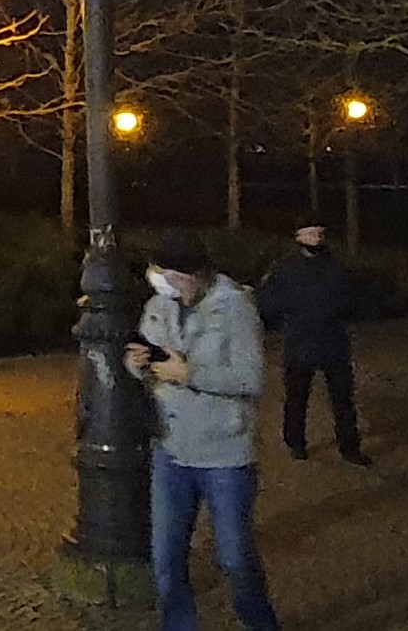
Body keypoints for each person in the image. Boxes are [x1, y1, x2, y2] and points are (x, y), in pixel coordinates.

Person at [129, 229, 279, 631]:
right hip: (171, 447)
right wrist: (139, 361)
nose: (157, 279)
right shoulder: (159, 305)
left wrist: (189, 373)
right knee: (166, 560)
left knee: (234, 557)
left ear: (188, 274)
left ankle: (260, 622)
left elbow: (250, 378)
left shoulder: (235, 309)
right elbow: (140, 357)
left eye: (164, 272)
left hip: (224, 454)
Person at [256, 223, 369, 465]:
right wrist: (292, 310)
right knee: (297, 397)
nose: (316, 238)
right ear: (298, 236)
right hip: (299, 342)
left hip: (332, 343)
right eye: (310, 233)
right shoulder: (283, 269)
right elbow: (267, 303)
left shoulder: (335, 268)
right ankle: (295, 442)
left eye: (320, 233)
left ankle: (349, 447)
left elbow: (351, 300)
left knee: (343, 399)